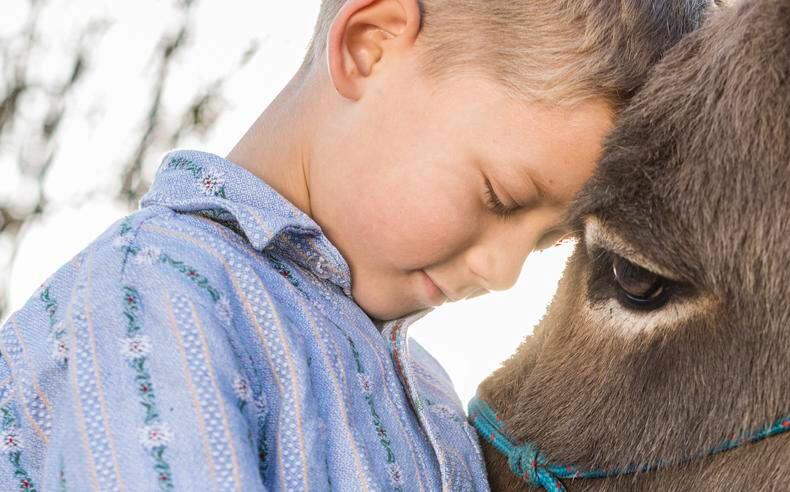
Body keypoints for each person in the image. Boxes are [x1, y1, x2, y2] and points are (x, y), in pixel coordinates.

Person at [0, 0, 710, 489]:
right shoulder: (153, 303)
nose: (501, 273)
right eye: (498, 197)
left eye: (547, 241)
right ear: (368, 46)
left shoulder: (428, 399)